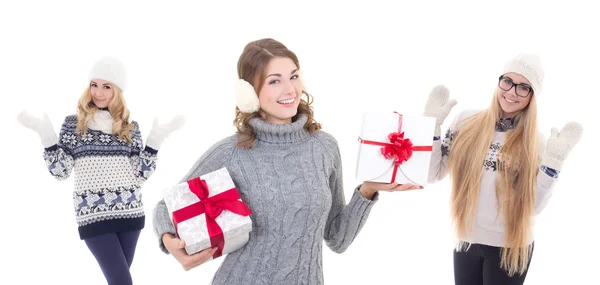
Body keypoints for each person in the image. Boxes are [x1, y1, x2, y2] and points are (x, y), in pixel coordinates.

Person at [152, 38, 421, 285]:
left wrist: (368, 189)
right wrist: (169, 240)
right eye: (274, 81)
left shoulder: (324, 146)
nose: (289, 88)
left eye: (293, 76)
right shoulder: (232, 151)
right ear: (249, 92)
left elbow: (337, 239)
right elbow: (166, 206)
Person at [17, 57, 184, 285]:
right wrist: (46, 136)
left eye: (107, 86)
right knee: (121, 281)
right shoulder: (74, 124)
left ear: (118, 91)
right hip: (92, 215)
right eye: (94, 85)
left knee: (118, 281)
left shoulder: (129, 127)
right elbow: (61, 172)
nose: (98, 92)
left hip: (130, 214)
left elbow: (139, 174)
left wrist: (155, 141)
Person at [424, 54, 583, 285]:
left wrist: (553, 163)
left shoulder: (536, 143)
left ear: (532, 96)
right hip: (467, 239)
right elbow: (433, 174)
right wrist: (431, 129)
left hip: (511, 245)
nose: (511, 92)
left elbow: (534, 207)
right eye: (507, 81)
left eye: (523, 87)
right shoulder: (466, 122)